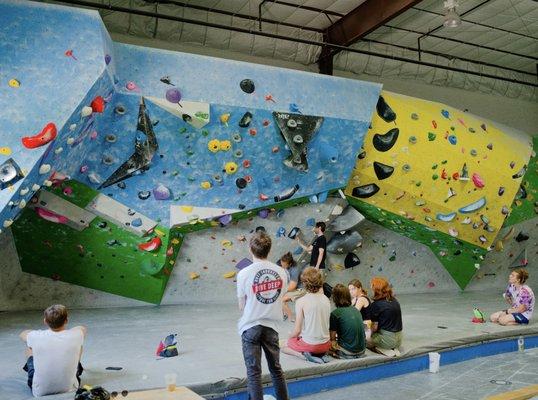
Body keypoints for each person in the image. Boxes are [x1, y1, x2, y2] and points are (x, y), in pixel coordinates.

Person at [237, 231, 289, 400]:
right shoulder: (282, 272)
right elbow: (280, 298)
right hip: (271, 327)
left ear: (250, 249)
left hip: (251, 326)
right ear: (269, 249)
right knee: (276, 370)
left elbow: (241, 306)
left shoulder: (243, 274)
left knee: (253, 373)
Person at [19, 304, 86, 397]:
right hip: (71, 388)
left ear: (45, 321)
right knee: (80, 345)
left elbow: (23, 334)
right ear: (66, 321)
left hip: (39, 391)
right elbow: (82, 328)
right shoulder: (77, 334)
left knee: (29, 347)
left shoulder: (35, 336)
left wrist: (36, 334)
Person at [281, 267, 331, 364]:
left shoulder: (301, 301)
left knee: (284, 346)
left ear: (304, 283)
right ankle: (320, 354)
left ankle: (303, 355)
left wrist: (289, 337)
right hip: (326, 345)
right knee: (301, 337)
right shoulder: (326, 299)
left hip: (312, 345)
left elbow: (297, 330)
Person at [367, 277, 403, 357]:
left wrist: (368, 334)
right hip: (399, 339)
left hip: (387, 340)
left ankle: (383, 349)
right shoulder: (395, 301)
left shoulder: (376, 305)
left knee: (365, 339)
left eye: (372, 287)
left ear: (376, 290)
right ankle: (393, 348)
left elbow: (374, 328)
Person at [329, 284, 366, 359]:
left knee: (325, 345)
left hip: (348, 353)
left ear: (334, 298)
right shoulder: (356, 310)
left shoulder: (335, 313)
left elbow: (332, 339)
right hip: (362, 351)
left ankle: (337, 354)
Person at [279, 252, 305, 322]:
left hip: (300, 289)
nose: (282, 266)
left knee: (281, 300)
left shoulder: (295, 270)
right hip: (292, 284)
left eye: (284, 265)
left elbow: (292, 287)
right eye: (281, 264)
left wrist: (281, 290)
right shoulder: (287, 264)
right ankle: (284, 311)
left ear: (290, 264)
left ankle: (291, 317)